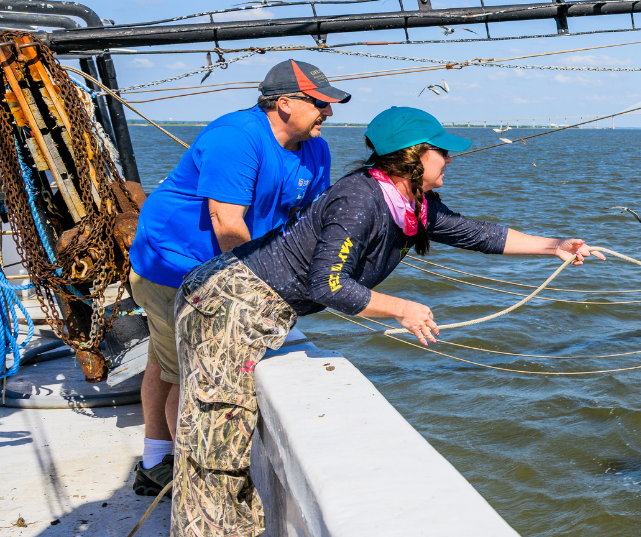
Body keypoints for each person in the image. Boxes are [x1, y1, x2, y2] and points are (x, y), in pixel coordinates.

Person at [168, 106, 601, 536]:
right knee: (215, 448)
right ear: (414, 156)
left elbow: (477, 233)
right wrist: (402, 309)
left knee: (227, 443)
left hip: (254, 308)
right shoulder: (360, 200)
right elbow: (330, 285)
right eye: (442, 152)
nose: (450, 159)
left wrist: (555, 246)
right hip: (228, 305)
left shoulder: (408, 203)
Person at [127, 59, 350, 497]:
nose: (329, 113)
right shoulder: (235, 138)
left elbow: (306, 222)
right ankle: (190, 482)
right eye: (321, 103)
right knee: (190, 372)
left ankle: (154, 461)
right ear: (285, 104)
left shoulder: (315, 148)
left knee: (165, 361)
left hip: (224, 265)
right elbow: (228, 224)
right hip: (174, 266)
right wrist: (258, 288)